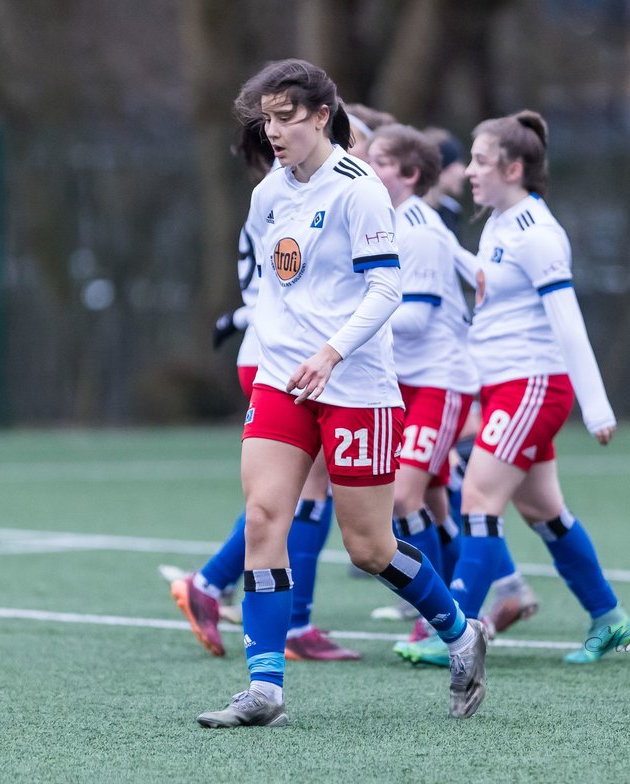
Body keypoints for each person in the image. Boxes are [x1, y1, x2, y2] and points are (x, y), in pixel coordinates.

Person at [196, 58, 488, 728]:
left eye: (285, 117)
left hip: (354, 383)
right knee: (266, 517)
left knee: (369, 546)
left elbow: (386, 289)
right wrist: (272, 345)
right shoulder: (269, 193)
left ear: (322, 116)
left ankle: (459, 632)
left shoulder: (358, 189)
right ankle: (265, 688)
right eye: (266, 119)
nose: (273, 131)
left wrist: (331, 353)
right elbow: (276, 285)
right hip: (282, 380)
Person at [393, 110, 630, 667]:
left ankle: (451, 631)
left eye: (480, 161)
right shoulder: (500, 222)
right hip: (504, 386)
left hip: (532, 386)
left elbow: (568, 322)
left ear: (514, 167)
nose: (469, 171)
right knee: (546, 512)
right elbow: (483, 275)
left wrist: (596, 407)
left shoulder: (539, 235)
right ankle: (609, 618)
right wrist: (443, 242)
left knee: (476, 498)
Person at [168, 123, 360, 662]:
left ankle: (226, 591)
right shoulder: (289, 195)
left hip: (272, 352)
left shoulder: (294, 191)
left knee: (286, 498)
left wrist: (234, 316)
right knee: (302, 496)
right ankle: (276, 616)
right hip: (283, 358)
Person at [364, 124, 478, 641]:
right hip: (403, 381)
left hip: (439, 381)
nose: (370, 167)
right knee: (432, 502)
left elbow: (418, 317)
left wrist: (351, 325)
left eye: (382, 161)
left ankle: (436, 616)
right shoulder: (383, 222)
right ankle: (476, 594)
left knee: (403, 499)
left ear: (410, 175)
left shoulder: (420, 230)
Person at [422, 127, 468, 234]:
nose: (465, 172)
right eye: (458, 163)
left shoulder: (452, 210)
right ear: (440, 168)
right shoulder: (412, 214)